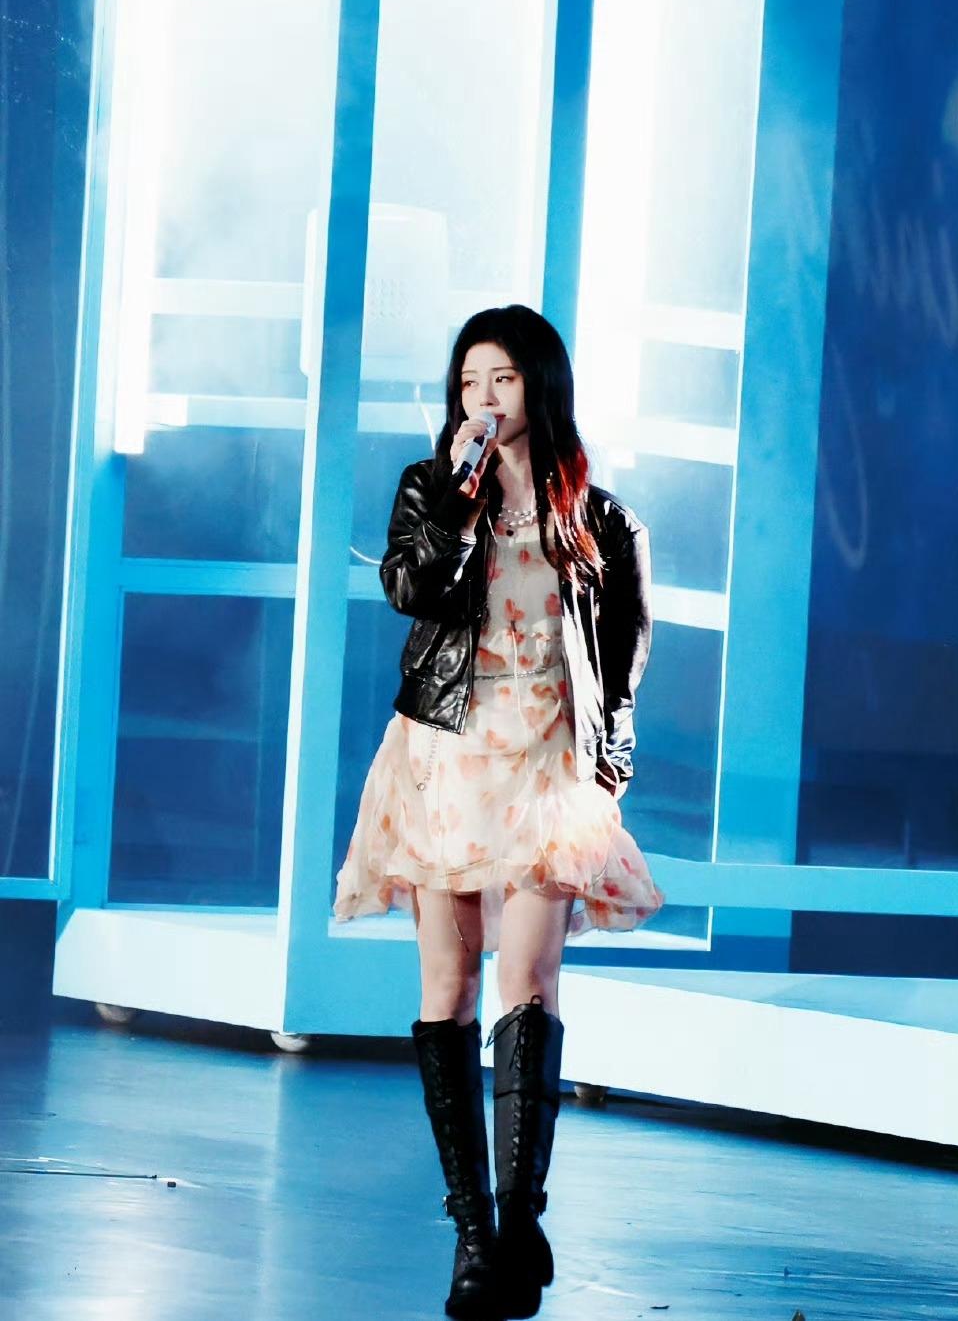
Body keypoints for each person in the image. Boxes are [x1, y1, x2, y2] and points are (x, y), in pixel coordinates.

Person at [333, 304, 664, 1320]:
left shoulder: (601, 520)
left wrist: (607, 774)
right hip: (443, 759)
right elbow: (410, 589)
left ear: (540, 387)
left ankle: (521, 1218)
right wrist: (455, 498)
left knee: (530, 977)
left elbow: (623, 664)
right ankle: (473, 1236)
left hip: (546, 767)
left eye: (503, 379)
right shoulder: (430, 489)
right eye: (470, 380)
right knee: (449, 982)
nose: (484, 396)